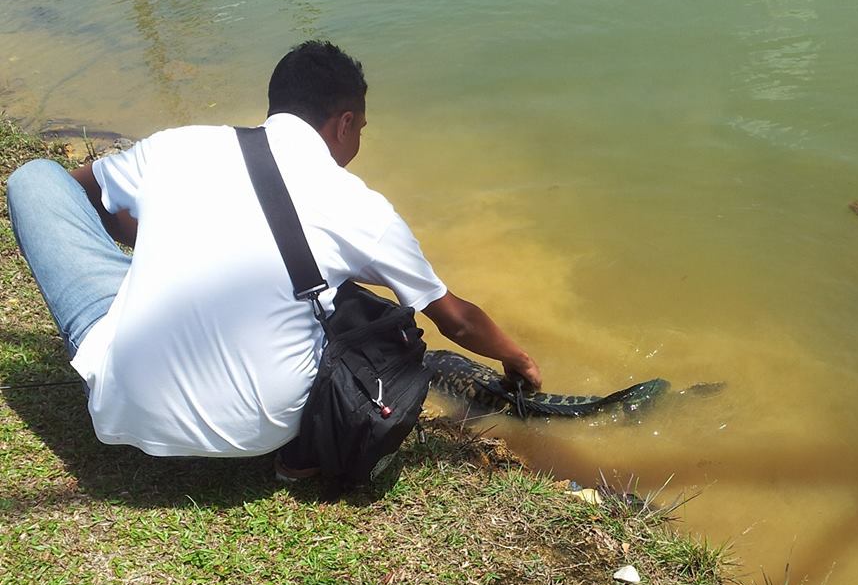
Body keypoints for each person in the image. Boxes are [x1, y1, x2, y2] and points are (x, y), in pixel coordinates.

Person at [6, 40, 541, 478]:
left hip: (124, 405)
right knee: (354, 302)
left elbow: (78, 194)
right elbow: (458, 319)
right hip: (264, 427)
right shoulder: (361, 207)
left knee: (33, 179)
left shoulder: (179, 146)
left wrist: (160, 241)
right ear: (345, 123)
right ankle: (300, 460)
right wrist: (517, 359)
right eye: (361, 129)